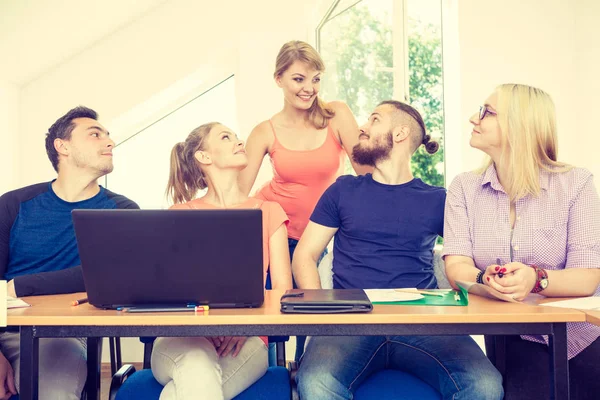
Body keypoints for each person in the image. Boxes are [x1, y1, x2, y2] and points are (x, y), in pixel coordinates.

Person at [292, 100, 503, 400]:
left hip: (422, 322)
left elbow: (467, 258)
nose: (361, 127)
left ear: (401, 133)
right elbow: (305, 256)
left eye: (374, 119)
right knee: (316, 383)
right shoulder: (343, 190)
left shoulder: (438, 199)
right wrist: (323, 316)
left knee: (484, 385)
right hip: (352, 323)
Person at [443, 83, 600, 400]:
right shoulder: (463, 187)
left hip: (583, 338)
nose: (475, 118)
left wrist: (536, 279)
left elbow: (587, 277)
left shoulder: (576, 183)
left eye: (487, 112)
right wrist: (482, 277)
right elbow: (457, 264)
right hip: (512, 340)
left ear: (518, 125)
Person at [239, 40, 371, 360]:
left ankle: (308, 370)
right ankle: (273, 376)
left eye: (315, 79)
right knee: (276, 316)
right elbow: (239, 196)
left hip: (321, 236)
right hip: (276, 235)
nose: (309, 88)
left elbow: (366, 174)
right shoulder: (265, 131)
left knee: (315, 316)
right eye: (299, 79)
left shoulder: (336, 115)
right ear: (279, 79)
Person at [0, 106, 138, 399]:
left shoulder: (123, 212)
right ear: (62, 147)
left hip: (62, 336)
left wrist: (21, 285)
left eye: (108, 136)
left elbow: (106, 277)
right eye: (95, 134)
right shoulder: (13, 205)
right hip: (6, 333)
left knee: (53, 391)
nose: (110, 142)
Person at [151, 122, 292, 400]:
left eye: (237, 136)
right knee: (196, 363)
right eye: (226, 137)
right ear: (204, 157)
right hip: (181, 338)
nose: (239, 141)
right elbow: (166, 290)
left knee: (180, 390)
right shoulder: (178, 214)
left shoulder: (269, 211)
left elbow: (283, 292)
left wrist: (242, 326)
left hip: (248, 341)